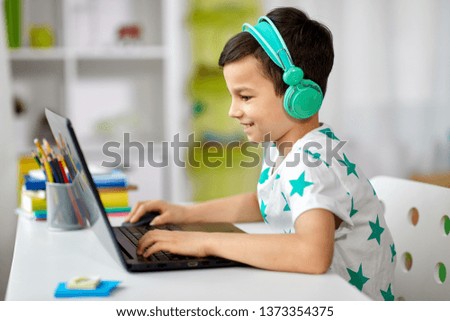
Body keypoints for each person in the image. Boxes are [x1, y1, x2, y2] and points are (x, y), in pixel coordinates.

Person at [124, 7, 395, 301]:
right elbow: (265, 201)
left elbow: (312, 255)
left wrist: (204, 242)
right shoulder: (283, 147)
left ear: (300, 97)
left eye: (245, 96)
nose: (232, 110)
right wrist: (184, 213)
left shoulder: (311, 162)